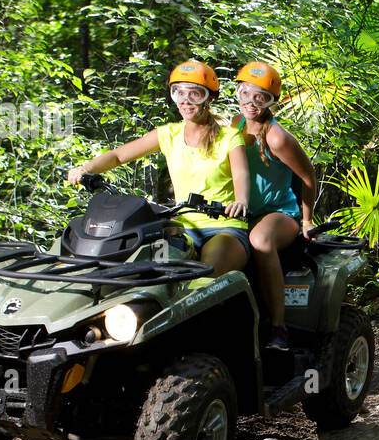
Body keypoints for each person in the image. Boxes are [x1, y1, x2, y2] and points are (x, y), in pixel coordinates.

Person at [66, 60, 252, 277]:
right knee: (144, 270)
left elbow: (241, 173)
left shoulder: (229, 137)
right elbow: (118, 156)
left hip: (224, 226)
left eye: (195, 94)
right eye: (178, 93)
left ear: (210, 98)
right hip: (182, 227)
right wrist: (85, 169)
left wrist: (240, 201)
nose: (185, 100)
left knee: (204, 276)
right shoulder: (169, 134)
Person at [231, 60, 318, 351]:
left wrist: (307, 221)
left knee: (260, 240)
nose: (252, 103)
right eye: (246, 94)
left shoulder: (276, 137)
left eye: (261, 97)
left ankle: (279, 327)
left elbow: (308, 176)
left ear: (271, 102)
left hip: (280, 213)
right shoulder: (234, 125)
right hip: (244, 211)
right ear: (237, 92)